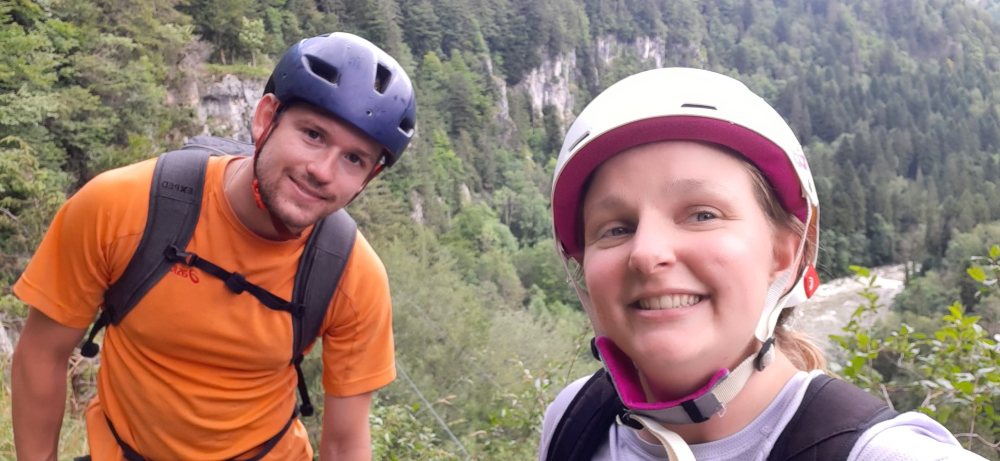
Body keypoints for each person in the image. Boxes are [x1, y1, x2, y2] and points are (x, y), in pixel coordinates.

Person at [538, 68, 986, 460]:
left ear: (785, 254)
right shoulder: (572, 419)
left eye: (702, 215)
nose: (646, 252)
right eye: (615, 228)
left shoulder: (882, 453)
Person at [11, 32, 416, 461]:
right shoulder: (120, 208)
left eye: (353, 159)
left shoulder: (351, 275)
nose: (322, 171)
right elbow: (41, 356)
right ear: (266, 118)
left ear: (368, 178)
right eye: (313, 134)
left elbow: (345, 444)